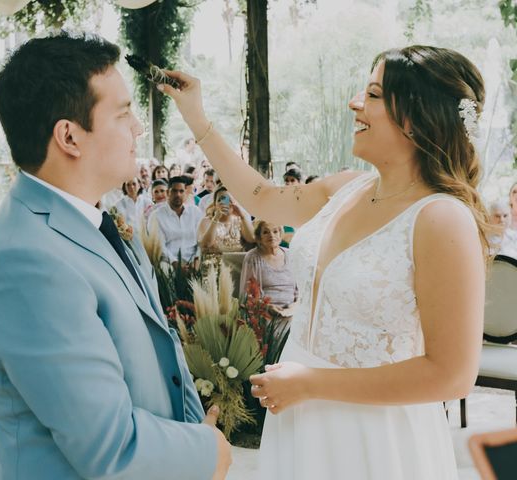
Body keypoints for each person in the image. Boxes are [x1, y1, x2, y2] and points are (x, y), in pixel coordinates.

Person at [161, 45, 489, 479]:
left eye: (372, 94)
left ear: (415, 117)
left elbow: (453, 375)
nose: (355, 102)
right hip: (300, 413)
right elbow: (260, 197)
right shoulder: (347, 188)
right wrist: (197, 118)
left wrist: (311, 383)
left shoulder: (441, 218)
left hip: (373, 435)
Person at [0, 33, 230, 480]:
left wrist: (193, 430)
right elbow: (111, 446)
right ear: (69, 136)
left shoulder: (88, 220)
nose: (138, 129)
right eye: (123, 114)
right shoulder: (24, 262)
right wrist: (206, 452)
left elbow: (160, 350)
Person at [239, 221, 297, 321]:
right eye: (266, 232)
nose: (271, 235)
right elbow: (247, 296)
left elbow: (301, 291)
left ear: (280, 233)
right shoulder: (252, 257)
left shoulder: (291, 254)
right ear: (259, 237)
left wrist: (294, 308)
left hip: (292, 313)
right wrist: (267, 307)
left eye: (275, 231)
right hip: (265, 315)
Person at [148, 176, 203, 267]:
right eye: (174, 191)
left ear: (185, 193)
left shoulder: (195, 212)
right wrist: (175, 263)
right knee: (164, 268)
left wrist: (196, 259)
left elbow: (201, 240)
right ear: (168, 192)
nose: (178, 194)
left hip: (194, 261)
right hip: (168, 262)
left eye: (181, 191)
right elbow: (160, 246)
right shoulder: (156, 215)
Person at [198, 186, 254, 272]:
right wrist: (216, 219)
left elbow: (251, 239)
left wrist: (242, 216)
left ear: (234, 202)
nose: (223, 203)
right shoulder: (206, 221)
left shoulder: (240, 220)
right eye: (219, 200)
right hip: (214, 268)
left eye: (228, 200)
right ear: (215, 204)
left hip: (238, 267)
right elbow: (206, 245)